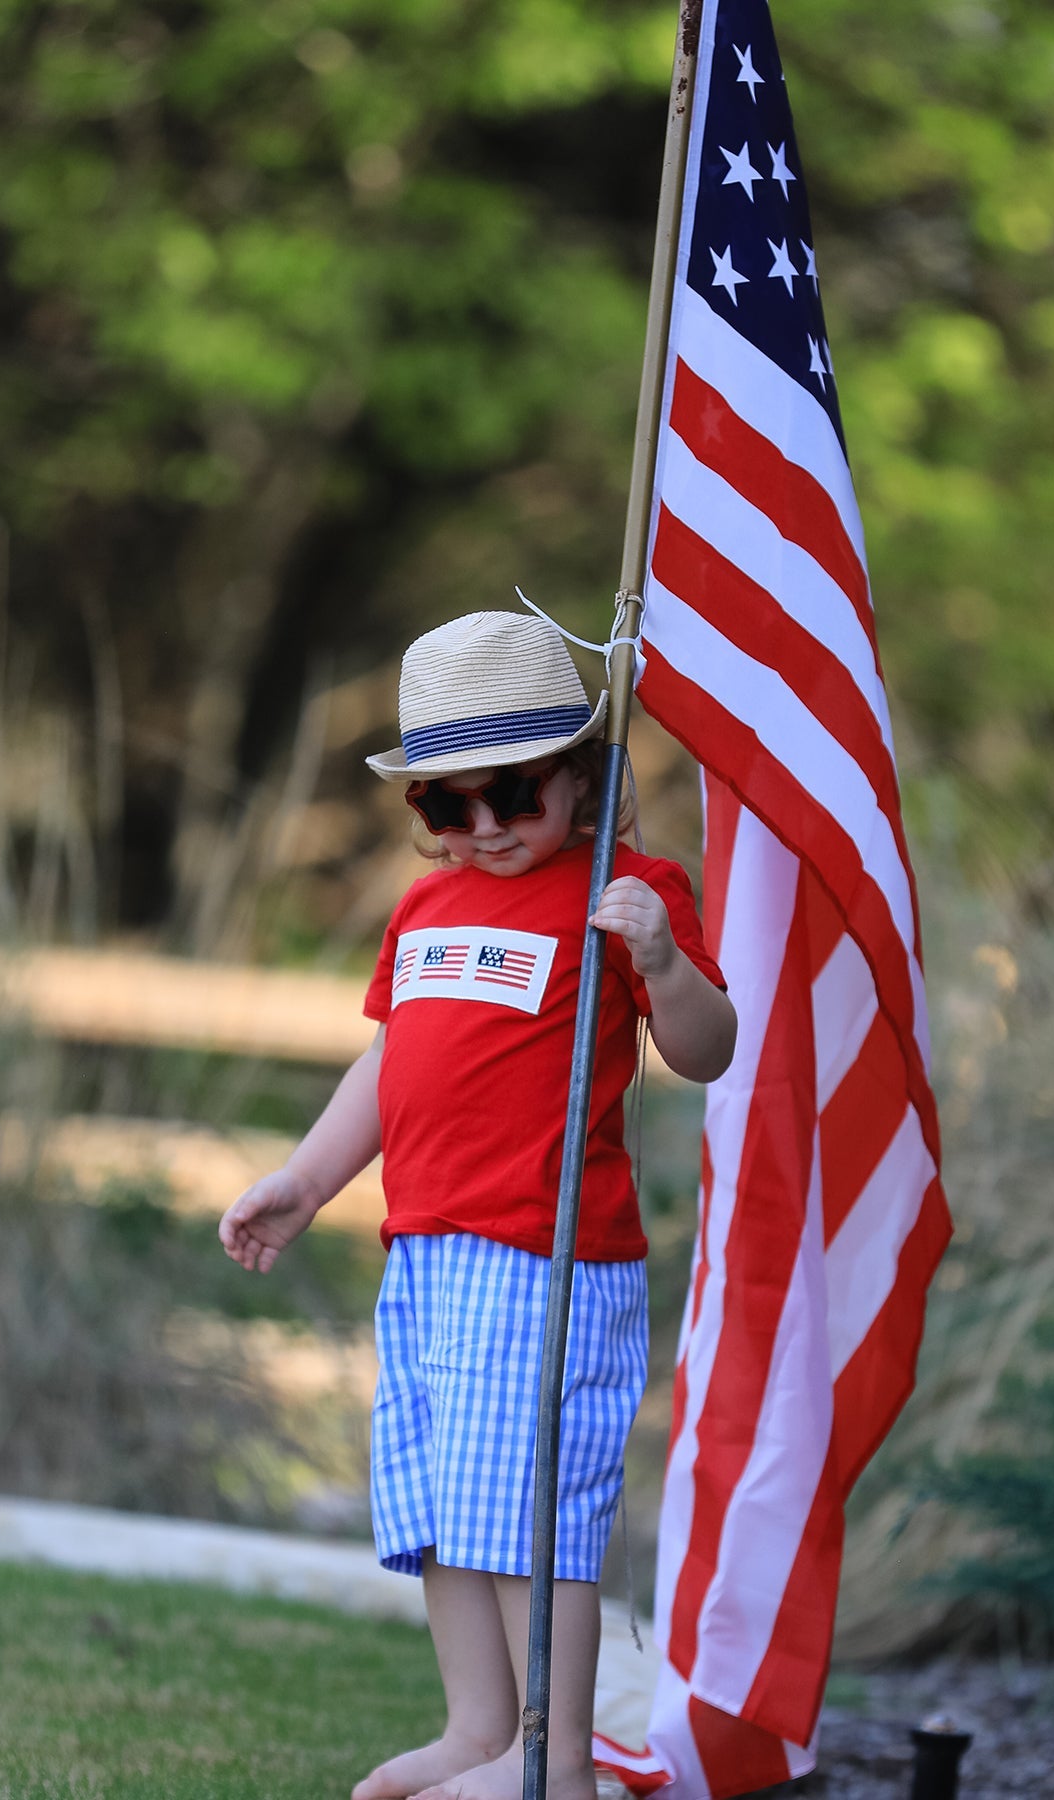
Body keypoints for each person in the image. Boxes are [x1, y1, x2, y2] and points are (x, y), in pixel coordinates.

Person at [219, 610, 736, 1800]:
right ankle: (479, 1730)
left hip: (544, 1256)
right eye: (449, 808)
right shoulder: (427, 912)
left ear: (577, 775)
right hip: (429, 1250)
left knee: (531, 1501)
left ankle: (553, 1760)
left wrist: (664, 966)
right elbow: (390, 1063)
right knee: (447, 1497)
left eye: (514, 796)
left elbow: (707, 1051)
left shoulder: (626, 889)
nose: (487, 829)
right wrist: (305, 1180)